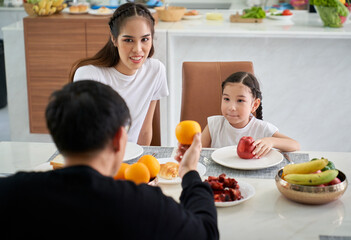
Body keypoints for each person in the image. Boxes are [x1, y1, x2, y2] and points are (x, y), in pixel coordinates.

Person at [0, 81, 218, 240]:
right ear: (117, 139)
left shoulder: (12, 192)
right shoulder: (144, 205)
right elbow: (206, 233)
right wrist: (190, 171)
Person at [69, 2, 168, 145]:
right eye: (128, 40)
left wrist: (139, 164)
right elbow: (84, 137)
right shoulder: (89, 76)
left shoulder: (156, 70)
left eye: (145, 39)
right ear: (114, 39)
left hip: (132, 160)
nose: (138, 49)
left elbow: (144, 131)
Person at [201, 72, 300, 157]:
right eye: (226, 99)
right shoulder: (214, 124)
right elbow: (196, 151)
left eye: (240, 100)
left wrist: (271, 141)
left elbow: (295, 145)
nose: (231, 107)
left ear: (254, 105)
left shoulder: (262, 128)